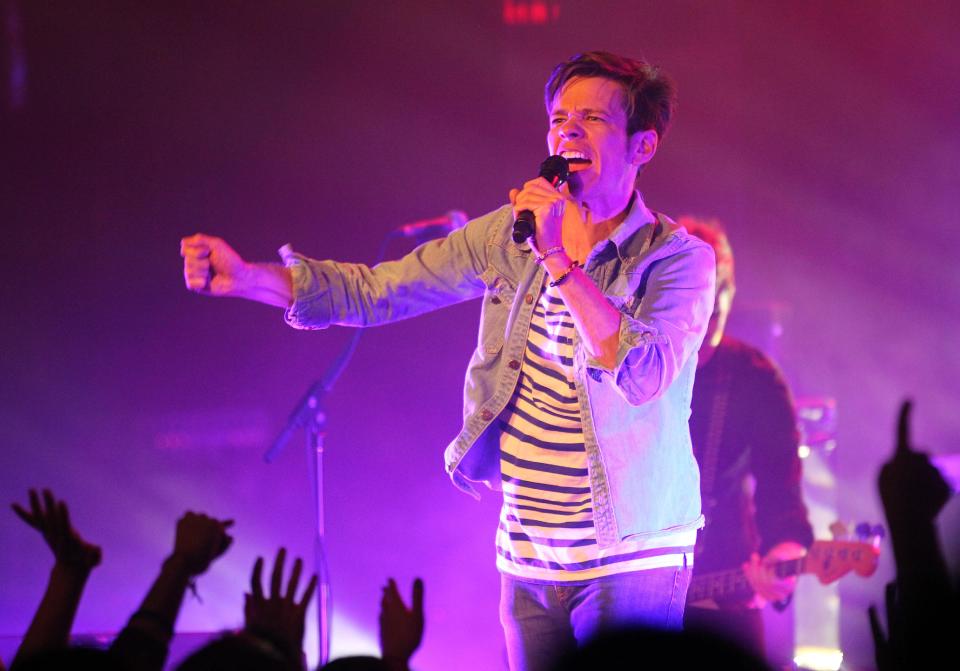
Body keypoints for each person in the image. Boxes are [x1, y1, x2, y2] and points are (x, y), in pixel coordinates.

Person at [181, 51, 715, 671]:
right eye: (559, 118)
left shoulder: (678, 260)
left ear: (643, 145)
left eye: (591, 119)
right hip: (528, 556)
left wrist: (557, 261)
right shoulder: (507, 236)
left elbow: (644, 373)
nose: (567, 131)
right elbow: (381, 290)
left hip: (631, 558)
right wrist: (250, 279)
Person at [680, 217, 813, 656]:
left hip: (723, 589)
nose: (717, 302)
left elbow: (781, 486)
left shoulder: (755, 377)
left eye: (725, 285)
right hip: (633, 592)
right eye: (703, 285)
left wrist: (785, 549)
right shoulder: (635, 365)